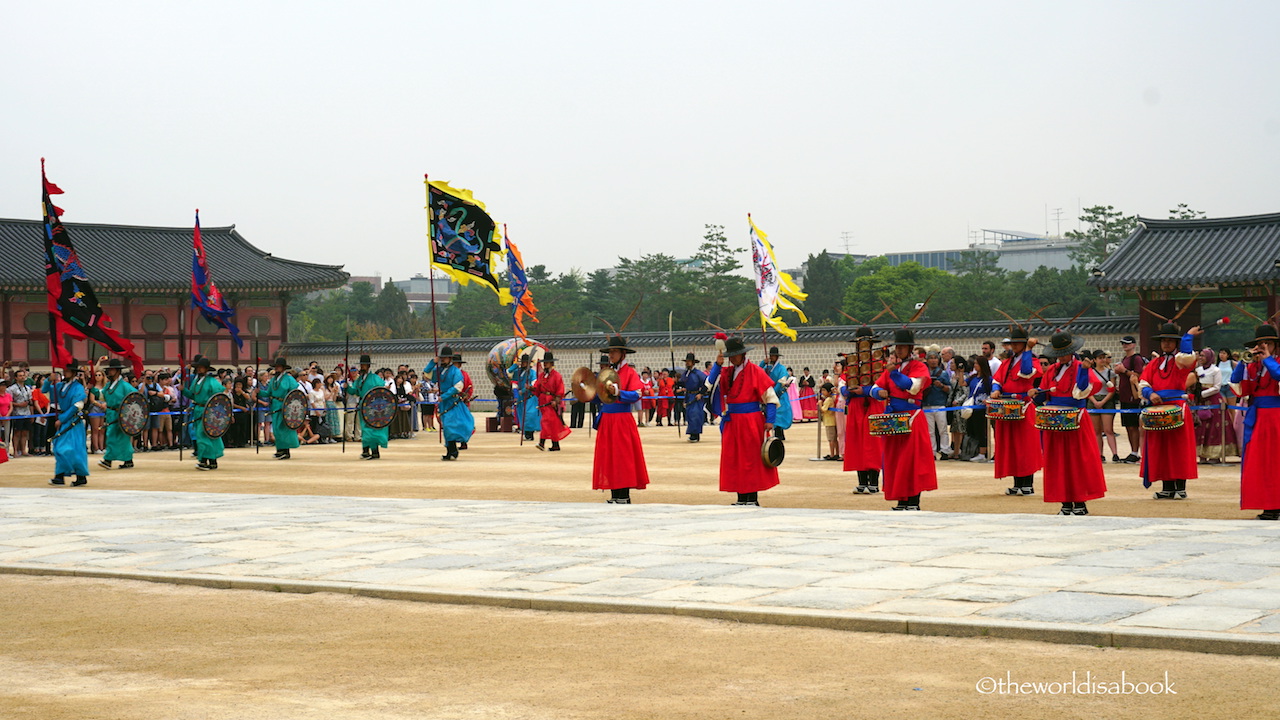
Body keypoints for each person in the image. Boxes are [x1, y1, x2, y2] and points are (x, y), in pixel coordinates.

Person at [1037, 331, 1107, 515]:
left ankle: (1080, 503)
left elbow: (1082, 391)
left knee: (1078, 461)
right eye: (1057, 353)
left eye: (1063, 352)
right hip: (1054, 421)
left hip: (1076, 419)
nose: (1060, 357)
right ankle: (1065, 503)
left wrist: (1084, 370)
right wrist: (1036, 393)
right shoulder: (1051, 370)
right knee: (1058, 462)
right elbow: (1044, 392)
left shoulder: (1080, 367)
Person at [868, 328, 937, 510]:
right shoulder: (893, 369)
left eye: (902, 347)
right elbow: (874, 388)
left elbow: (912, 387)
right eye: (897, 347)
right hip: (893, 418)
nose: (899, 351)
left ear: (910, 349)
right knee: (895, 460)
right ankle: (901, 499)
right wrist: (879, 392)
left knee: (912, 460)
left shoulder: (918, 367)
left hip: (912, 417)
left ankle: (913, 500)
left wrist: (894, 374)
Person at [707, 337, 780, 506]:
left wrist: (770, 419)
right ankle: (741, 497)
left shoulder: (755, 371)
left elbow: (770, 397)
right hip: (732, 421)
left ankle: (752, 498)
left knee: (751, 459)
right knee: (735, 459)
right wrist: (717, 365)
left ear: (743, 354)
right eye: (729, 355)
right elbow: (710, 384)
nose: (731, 358)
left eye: (734, 355)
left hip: (751, 420)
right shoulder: (727, 372)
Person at [1139, 322, 1203, 500]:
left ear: (1176, 343)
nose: (1166, 344)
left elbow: (1188, 357)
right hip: (1157, 407)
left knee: (1178, 447)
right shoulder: (1154, 363)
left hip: (1177, 408)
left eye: (1170, 341)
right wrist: (1150, 393)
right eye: (1163, 341)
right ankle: (1167, 486)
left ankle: (1180, 486)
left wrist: (1188, 336)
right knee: (1161, 448)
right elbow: (1143, 382)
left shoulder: (1180, 362)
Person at [593, 335, 650, 503]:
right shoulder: (606, 374)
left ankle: (624, 494)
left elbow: (637, 394)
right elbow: (599, 396)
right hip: (607, 419)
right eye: (610, 352)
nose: (611, 355)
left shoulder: (630, 373)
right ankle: (614, 494)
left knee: (622, 457)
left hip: (621, 419)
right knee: (609, 456)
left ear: (623, 354)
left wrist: (618, 392)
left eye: (614, 351)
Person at [1231, 325, 1280, 519]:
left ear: (1275, 345)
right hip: (1258, 418)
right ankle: (1268, 505)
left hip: (1276, 417)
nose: (1263, 346)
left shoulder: (1275, 362)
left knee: (1275, 462)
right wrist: (1243, 363)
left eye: (1268, 343)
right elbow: (1237, 384)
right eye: (1260, 344)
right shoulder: (1253, 366)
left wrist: (1267, 358)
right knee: (1259, 463)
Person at [987, 327, 1043, 494]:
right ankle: (1017, 483)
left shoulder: (1032, 360)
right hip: (1007, 407)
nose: (1015, 346)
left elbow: (1026, 372)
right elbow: (997, 379)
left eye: (1019, 343)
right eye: (1013, 343)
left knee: (1025, 446)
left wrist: (1028, 350)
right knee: (1012, 446)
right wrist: (996, 388)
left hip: (1023, 407)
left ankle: (1028, 483)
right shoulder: (1007, 362)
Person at [843, 326, 884, 493]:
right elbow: (843, 385)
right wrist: (848, 391)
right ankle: (862, 481)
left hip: (874, 404)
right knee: (857, 443)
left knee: (873, 443)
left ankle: (873, 482)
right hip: (855, 405)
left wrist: (865, 391)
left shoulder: (879, 363)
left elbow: (882, 386)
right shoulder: (851, 364)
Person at [424, 346, 475, 460]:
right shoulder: (439, 370)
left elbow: (458, 387)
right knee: (446, 425)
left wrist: (444, 396)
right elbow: (427, 374)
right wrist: (433, 362)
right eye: (441, 358)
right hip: (443, 402)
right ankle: (451, 450)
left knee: (450, 426)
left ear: (450, 358)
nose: (443, 360)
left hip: (452, 401)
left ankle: (452, 450)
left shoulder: (455, 371)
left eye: (445, 358)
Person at [46, 361, 90, 486]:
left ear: (74, 372)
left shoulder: (78, 387)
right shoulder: (60, 386)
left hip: (73, 422)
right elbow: (46, 389)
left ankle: (81, 476)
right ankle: (60, 476)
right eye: (64, 370)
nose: (65, 372)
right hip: (64, 420)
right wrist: (49, 379)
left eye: (68, 370)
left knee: (73, 449)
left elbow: (77, 405)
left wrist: (62, 419)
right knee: (59, 447)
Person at [181, 357, 224, 471]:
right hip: (197, 410)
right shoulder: (196, 380)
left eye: (201, 367)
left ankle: (205, 460)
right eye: (198, 368)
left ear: (206, 369)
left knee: (204, 435)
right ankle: (211, 461)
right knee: (202, 434)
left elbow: (219, 397)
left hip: (209, 411)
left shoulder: (212, 381)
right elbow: (192, 395)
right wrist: (183, 390)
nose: (199, 369)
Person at [1195, 347, 1237, 463]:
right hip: (1200, 402)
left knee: (1215, 427)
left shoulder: (1216, 370)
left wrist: (1202, 393)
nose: (1201, 358)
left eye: (1203, 356)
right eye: (1200, 355)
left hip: (1213, 401)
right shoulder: (1198, 370)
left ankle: (1215, 455)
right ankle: (1202, 455)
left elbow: (1217, 387)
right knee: (1200, 427)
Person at [97, 358, 138, 470]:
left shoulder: (125, 386)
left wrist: (127, 413)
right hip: (110, 414)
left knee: (112, 437)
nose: (109, 372)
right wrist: (93, 388)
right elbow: (101, 395)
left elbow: (135, 398)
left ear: (117, 371)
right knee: (120, 438)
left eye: (112, 370)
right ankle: (128, 460)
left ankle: (108, 460)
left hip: (120, 415)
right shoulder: (109, 385)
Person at [349, 354, 389, 460]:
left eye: (364, 365)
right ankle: (365, 451)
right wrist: (347, 388)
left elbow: (381, 392)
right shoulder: (359, 379)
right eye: (361, 365)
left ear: (368, 366)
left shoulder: (375, 378)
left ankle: (375, 452)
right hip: (363, 406)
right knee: (364, 428)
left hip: (373, 407)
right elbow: (355, 391)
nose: (362, 367)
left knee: (371, 429)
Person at [261, 357, 302, 460]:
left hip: (285, 404)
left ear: (283, 368)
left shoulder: (289, 378)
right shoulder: (273, 380)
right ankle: (279, 449)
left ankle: (286, 450)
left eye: (279, 367)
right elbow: (268, 393)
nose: (277, 368)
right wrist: (259, 392)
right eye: (276, 367)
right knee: (276, 429)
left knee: (284, 428)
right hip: (275, 404)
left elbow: (294, 391)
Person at [1115, 335, 1147, 463]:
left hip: (1133, 396)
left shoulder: (1136, 359)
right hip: (1124, 395)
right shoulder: (1125, 359)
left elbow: (1139, 376)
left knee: (1134, 425)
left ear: (1133, 345)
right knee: (1128, 425)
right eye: (1123, 343)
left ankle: (1135, 452)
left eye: (1127, 343)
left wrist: (1124, 370)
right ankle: (1132, 451)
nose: (1125, 346)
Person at [532, 351, 571, 451]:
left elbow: (560, 390)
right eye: (544, 362)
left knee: (546, 421)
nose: (545, 364)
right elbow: (537, 388)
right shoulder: (541, 376)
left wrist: (556, 400)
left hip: (551, 402)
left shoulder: (557, 376)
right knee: (552, 424)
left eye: (547, 362)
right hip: (543, 402)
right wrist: (531, 388)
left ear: (552, 363)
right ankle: (555, 445)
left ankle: (542, 442)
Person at [1089, 350, 1121, 463]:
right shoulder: (1090, 373)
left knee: (1108, 429)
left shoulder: (1110, 373)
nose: (1102, 360)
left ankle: (1115, 454)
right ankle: (1099, 454)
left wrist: (1102, 402)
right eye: (1100, 358)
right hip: (1093, 399)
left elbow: (1111, 390)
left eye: (1103, 357)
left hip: (1106, 400)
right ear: (1094, 360)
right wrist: (1094, 401)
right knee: (1096, 431)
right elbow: (1087, 389)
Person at [922, 351, 952, 460]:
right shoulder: (924, 373)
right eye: (931, 358)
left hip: (939, 404)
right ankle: (932, 451)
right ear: (927, 360)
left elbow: (949, 389)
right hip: (926, 404)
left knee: (942, 429)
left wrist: (941, 386)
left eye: (935, 358)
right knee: (930, 431)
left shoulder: (943, 373)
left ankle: (944, 450)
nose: (933, 360)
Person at [759, 347, 793, 441]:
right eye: (771, 356)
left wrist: (773, 393)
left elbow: (780, 382)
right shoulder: (767, 368)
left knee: (779, 415)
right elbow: (757, 372)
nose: (772, 357)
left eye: (773, 356)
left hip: (779, 395)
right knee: (770, 414)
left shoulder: (781, 369)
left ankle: (779, 434)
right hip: (769, 394)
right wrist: (762, 363)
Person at [965, 358, 993, 464]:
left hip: (982, 408)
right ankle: (978, 451)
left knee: (982, 430)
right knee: (973, 430)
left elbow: (993, 391)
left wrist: (988, 399)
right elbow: (963, 384)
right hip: (972, 406)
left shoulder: (988, 379)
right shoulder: (972, 377)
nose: (975, 365)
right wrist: (960, 372)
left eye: (977, 363)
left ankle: (982, 453)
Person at [509, 353, 540, 441]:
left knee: (528, 415)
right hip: (520, 397)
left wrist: (524, 389)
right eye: (522, 362)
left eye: (525, 362)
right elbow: (510, 375)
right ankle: (526, 433)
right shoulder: (517, 372)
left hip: (529, 396)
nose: (523, 364)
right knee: (521, 415)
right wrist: (515, 366)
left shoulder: (532, 372)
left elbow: (533, 383)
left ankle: (530, 434)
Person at [680, 352, 708, 442]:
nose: (687, 363)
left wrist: (701, 393)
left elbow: (706, 383)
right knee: (689, 414)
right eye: (686, 361)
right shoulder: (686, 373)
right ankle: (692, 433)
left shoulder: (698, 373)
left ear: (693, 362)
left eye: (689, 361)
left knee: (695, 415)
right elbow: (682, 383)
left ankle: (695, 435)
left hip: (696, 396)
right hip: (688, 395)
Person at [820, 383, 839, 460]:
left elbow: (823, 409)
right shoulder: (832, 399)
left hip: (829, 422)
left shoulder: (828, 400)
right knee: (834, 439)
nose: (823, 392)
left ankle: (832, 454)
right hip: (832, 421)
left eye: (824, 390)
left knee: (831, 439)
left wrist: (820, 404)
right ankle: (836, 453)